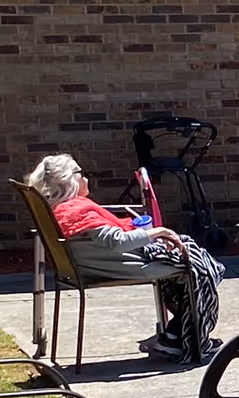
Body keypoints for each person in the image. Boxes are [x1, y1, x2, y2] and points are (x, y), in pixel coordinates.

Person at [25, 153, 223, 361]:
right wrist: (158, 232)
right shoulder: (77, 211)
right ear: (69, 180)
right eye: (81, 173)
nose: (86, 178)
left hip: (100, 263)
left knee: (193, 255)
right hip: (123, 263)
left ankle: (174, 335)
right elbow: (117, 242)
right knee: (200, 267)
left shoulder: (62, 209)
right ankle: (192, 341)